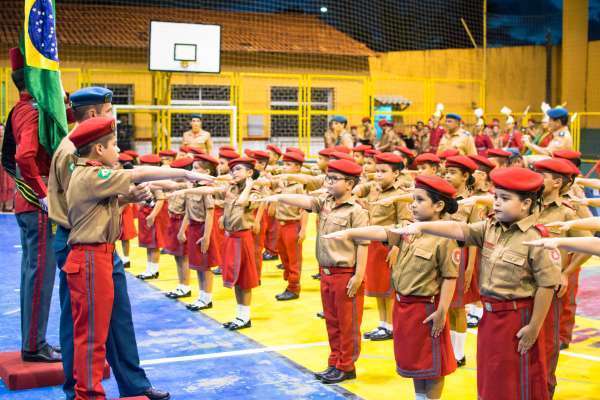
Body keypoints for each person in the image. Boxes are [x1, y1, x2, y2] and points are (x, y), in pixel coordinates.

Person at [64, 116, 212, 399]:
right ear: (98, 150)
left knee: (101, 330)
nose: (117, 151)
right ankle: (88, 395)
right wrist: (184, 174)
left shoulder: (90, 173)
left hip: (99, 256)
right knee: (92, 336)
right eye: (113, 146)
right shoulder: (91, 174)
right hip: (90, 258)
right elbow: (135, 175)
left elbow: (99, 208)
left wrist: (127, 200)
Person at [391, 167, 562, 400]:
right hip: (491, 316)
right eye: (495, 197)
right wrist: (421, 226)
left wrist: (534, 327)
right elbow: (459, 229)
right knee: (490, 378)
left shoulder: (536, 238)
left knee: (518, 380)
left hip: (518, 316)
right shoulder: (490, 228)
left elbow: (547, 286)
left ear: (526, 203)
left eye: (504, 198)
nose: (497, 203)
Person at [48, 89, 169, 400]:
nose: (113, 117)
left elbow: (105, 197)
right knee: (80, 323)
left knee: (119, 316)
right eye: (109, 110)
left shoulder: (93, 149)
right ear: (93, 116)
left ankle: (133, 383)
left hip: (102, 242)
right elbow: (83, 202)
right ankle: (77, 390)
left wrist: (128, 196)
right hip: (79, 240)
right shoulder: (71, 153)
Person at [324, 174, 459, 400]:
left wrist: (442, 310)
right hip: (404, 306)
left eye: (419, 200)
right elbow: (382, 232)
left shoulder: (445, 237)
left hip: (427, 308)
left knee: (433, 365)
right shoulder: (409, 230)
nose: (413, 205)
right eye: (412, 199)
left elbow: (449, 277)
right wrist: (348, 232)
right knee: (414, 361)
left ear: (438, 206)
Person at [263, 159, 369, 384]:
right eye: (328, 178)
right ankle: (334, 361)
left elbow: (363, 244)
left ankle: (347, 366)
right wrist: (278, 196)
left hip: (346, 273)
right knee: (332, 321)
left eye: (334, 179)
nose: (328, 183)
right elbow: (303, 199)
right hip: (327, 272)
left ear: (349, 184)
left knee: (347, 323)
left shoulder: (356, 211)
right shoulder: (325, 203)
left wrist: (359, 275)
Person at [6, 47, 67, 362]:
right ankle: (34, 345)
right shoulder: (32, 110)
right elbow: (24, 156)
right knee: (40, 276)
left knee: (34, 273)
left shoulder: (22, 107)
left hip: (26, 203)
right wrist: (44, 195)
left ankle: (35, 340)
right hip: (36, 204)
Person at [533, 157, 592, 396]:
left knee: (548, 344)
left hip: (552, 283)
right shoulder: (529, 204)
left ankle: (545, 389)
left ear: (558, 182)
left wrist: (567, 272)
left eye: (543, 175)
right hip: (526, 285)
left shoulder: (568, 211)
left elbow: (588, 242)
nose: (538, 179)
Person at [354, 153, 412, 341]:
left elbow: (405, 222)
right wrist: (356, 194)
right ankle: (382, 323)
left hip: (389, 245)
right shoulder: (374, 188)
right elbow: (360, 188)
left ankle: (392, 325)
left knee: (389, 289)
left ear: (395, 174)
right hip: (374, 244)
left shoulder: (400, 195)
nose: (378, 175)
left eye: (383, 171)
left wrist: (396, 247)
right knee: (378, 287)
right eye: (377, 171)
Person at [136, 154, 168, 280]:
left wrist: (152, 215)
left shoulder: (155, 181)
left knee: (153, 243)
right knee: (148, 243)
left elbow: (160, 199)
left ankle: (153, 270)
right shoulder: (146, 181)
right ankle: (149, 268)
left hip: (152, 213)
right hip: (145, 212)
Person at [0, 123, 15, 211]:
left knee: (9, 187)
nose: (0, 132)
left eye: (2, 130)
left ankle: (9, 208)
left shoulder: (10, 142)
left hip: (8, 170)